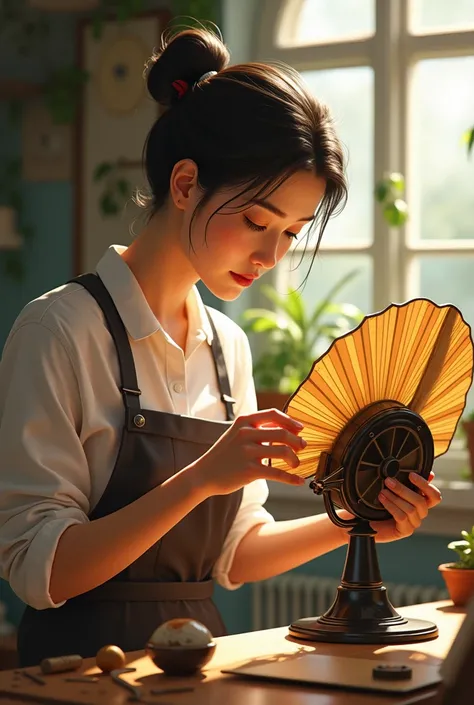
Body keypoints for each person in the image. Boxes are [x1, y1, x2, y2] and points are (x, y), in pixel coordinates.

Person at [0, 26, 441, 667]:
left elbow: (237, 553)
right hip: (78, 677)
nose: (269, 256)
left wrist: (357, 517)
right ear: (185, 185)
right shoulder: (59, 332)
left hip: (204, 672)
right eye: (257, 221)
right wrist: (201, 477)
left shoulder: (226, 345)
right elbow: (40, 572)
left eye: (290, 233)